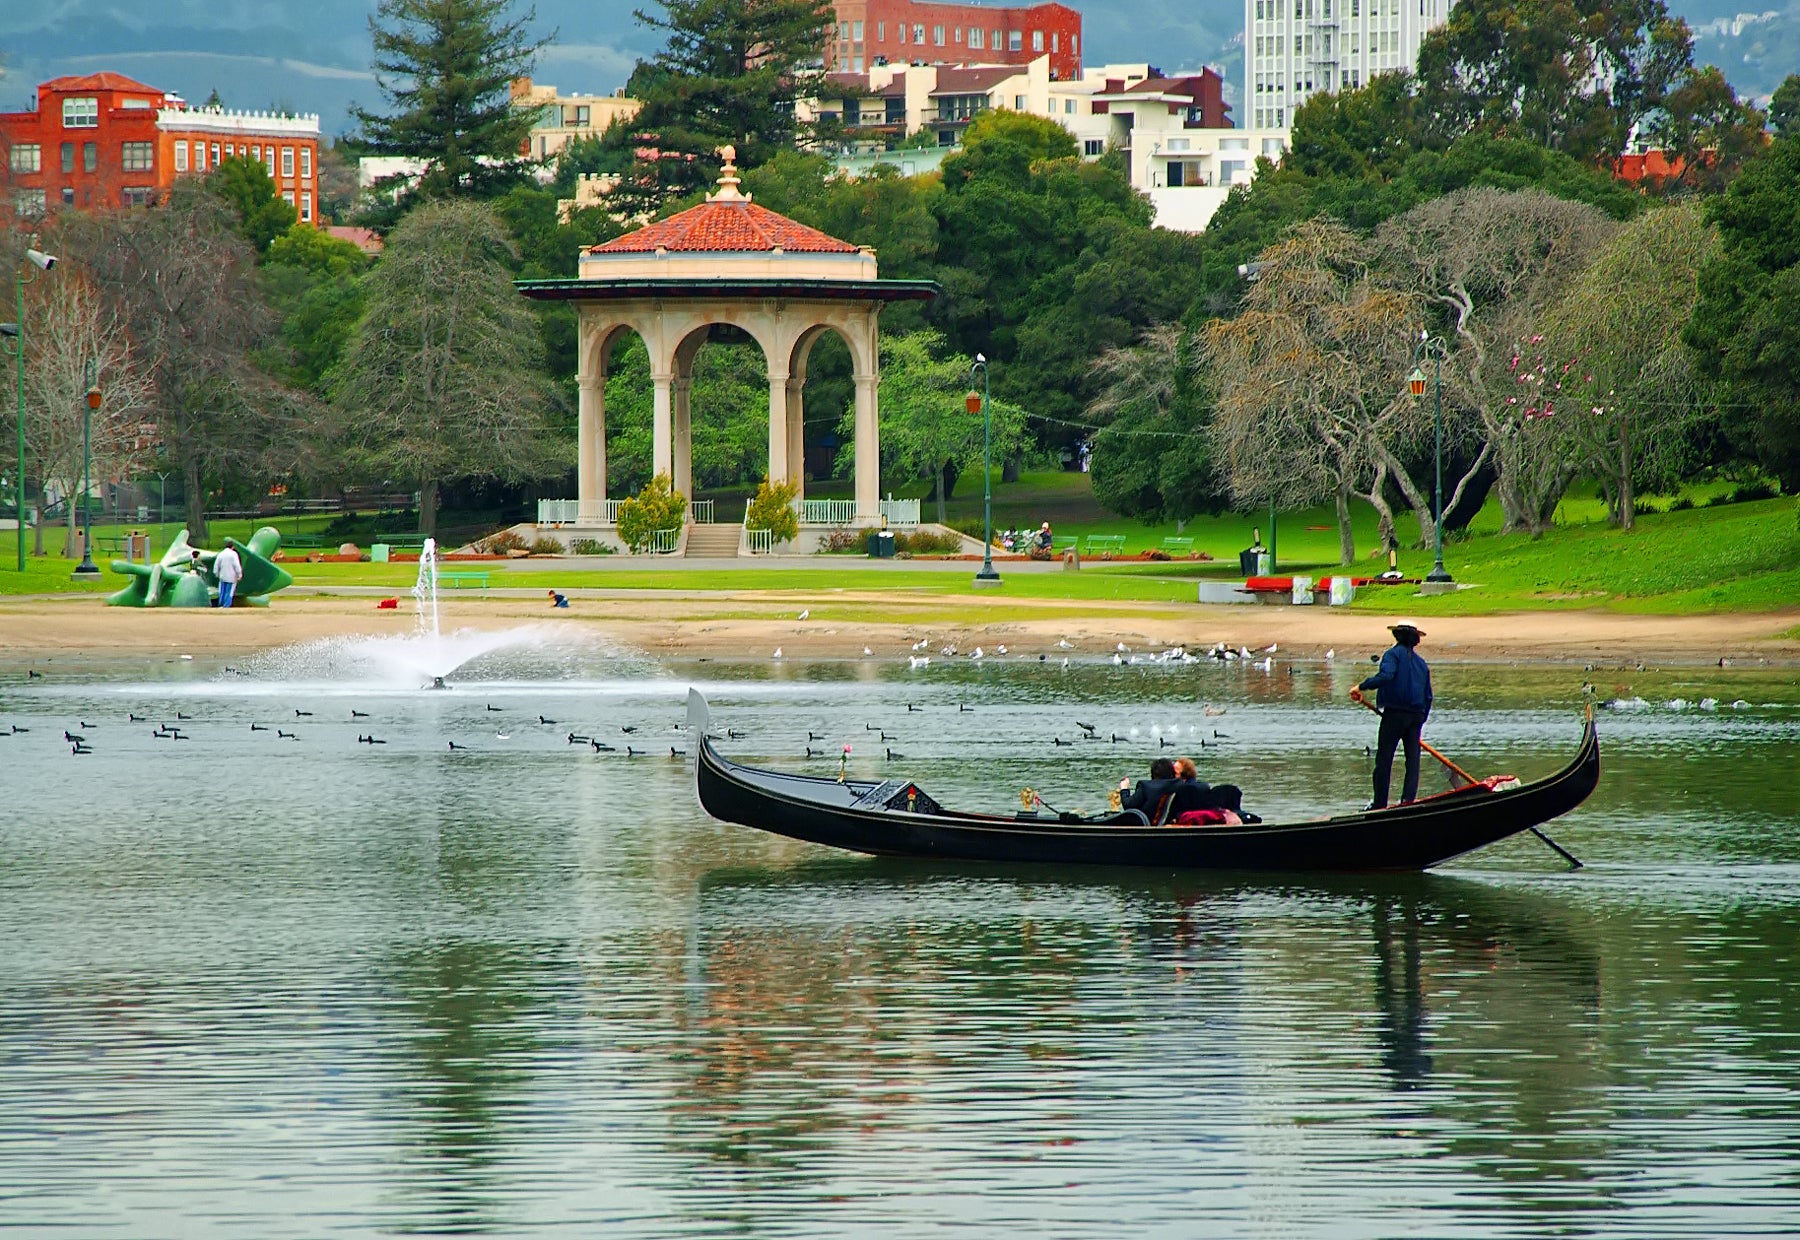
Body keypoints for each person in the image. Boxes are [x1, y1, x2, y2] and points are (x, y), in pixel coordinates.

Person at [1352, 622, 1434, 809]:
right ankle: (1408, 801)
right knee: (1412, 761)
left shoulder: (1391, 655)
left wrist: (1361, 686)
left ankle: (1379, 803)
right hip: (1416, 716)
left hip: (1395, 714)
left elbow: (1386, 676)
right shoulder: (1421, 664)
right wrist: (1421, 719)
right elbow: (1428, 696)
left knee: (1384, 759)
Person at [213, 542, 243, 609]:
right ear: (232, 547)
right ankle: (226, 605)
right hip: (231, 576)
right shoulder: (233, 554)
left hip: (222, 576)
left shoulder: (221, 554)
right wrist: (239, 574)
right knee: (229, 591)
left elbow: (216, 565)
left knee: (222, 591)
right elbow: (236, 565)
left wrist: (216, 573)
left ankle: (221, 604)